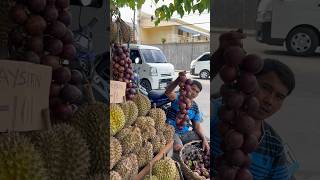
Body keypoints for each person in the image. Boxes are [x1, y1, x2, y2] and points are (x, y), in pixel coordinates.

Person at [211, 31, 299, 179]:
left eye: (279, 97)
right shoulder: (219, 113)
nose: (269, 101)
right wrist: (219, 58)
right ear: (250, 81)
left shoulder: (275, 147)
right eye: (265, 88)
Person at [165, 72, 210, 158]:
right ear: (188, 88)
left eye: (197, 92)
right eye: (193, 89)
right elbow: (168, 92)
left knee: (207, 142)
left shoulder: (195, 107)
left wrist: (204, 139)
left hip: (185, 134)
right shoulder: (178, 97)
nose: (194, 93)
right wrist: (178, 80)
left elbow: (197, 127)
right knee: (179, 148)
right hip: (171, 131)